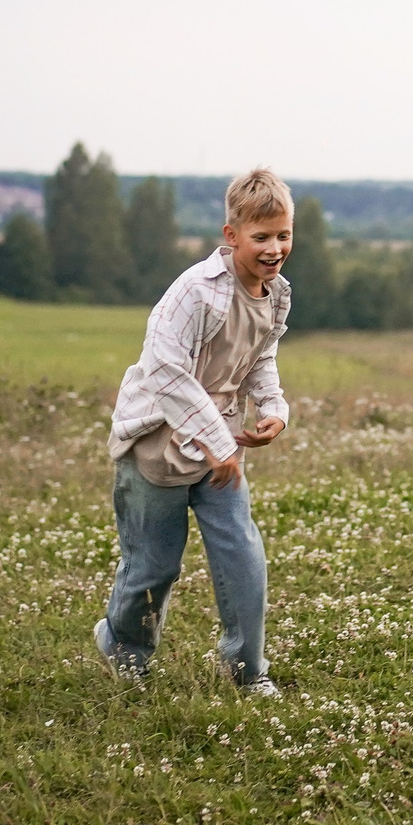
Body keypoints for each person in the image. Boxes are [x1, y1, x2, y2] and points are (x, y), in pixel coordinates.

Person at [92, 167, 295, 693]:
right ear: (231, 236)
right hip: (157, 441)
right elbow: (165, 372)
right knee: (154, 567)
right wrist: (216, 440)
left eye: (283, 235)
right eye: (261, 237)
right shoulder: (195, 292)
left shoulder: (276, 294)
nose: (274, 249)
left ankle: (247, 671)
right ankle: (125, 653)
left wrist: (272, 405)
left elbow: (259, 355)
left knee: (242, 556)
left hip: (220, 446)